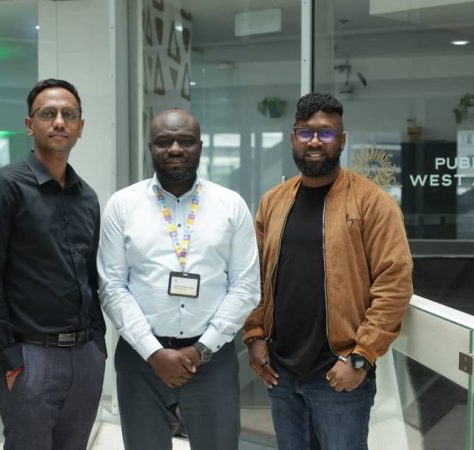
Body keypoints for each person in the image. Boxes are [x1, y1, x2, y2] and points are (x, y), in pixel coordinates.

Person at [243, 92, 413, 450]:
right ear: (293, 138)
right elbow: (254, 277)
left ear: (342, 140)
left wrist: (361, 358)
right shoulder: (274, 202)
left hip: (339, 372)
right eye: (305, 133)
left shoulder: (372, 203)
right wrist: (255, 335)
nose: (315, 141)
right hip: (281, 372)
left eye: (326, 133)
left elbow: (394, 283)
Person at [97, 109, 260, 450]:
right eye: (164, 141)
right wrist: (153, 352)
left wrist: (202, 349)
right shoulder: (122, 205)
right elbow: (112, 287)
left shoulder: (231, 206)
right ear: (150, 147)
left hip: (211, 359)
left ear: (200, 146)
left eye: (185, 141)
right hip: (141, 359)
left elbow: (245, 288)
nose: (175, 149)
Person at [0, 78, 106, 450]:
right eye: (48, 114)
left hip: (85, 358)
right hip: (31, 359)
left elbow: (90, 277)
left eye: (69, 115)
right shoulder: (3, 187)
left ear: (80, 127)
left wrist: (98, 344)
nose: (59, 122)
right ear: (30, 125)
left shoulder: (87, 197)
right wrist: (9, 357)